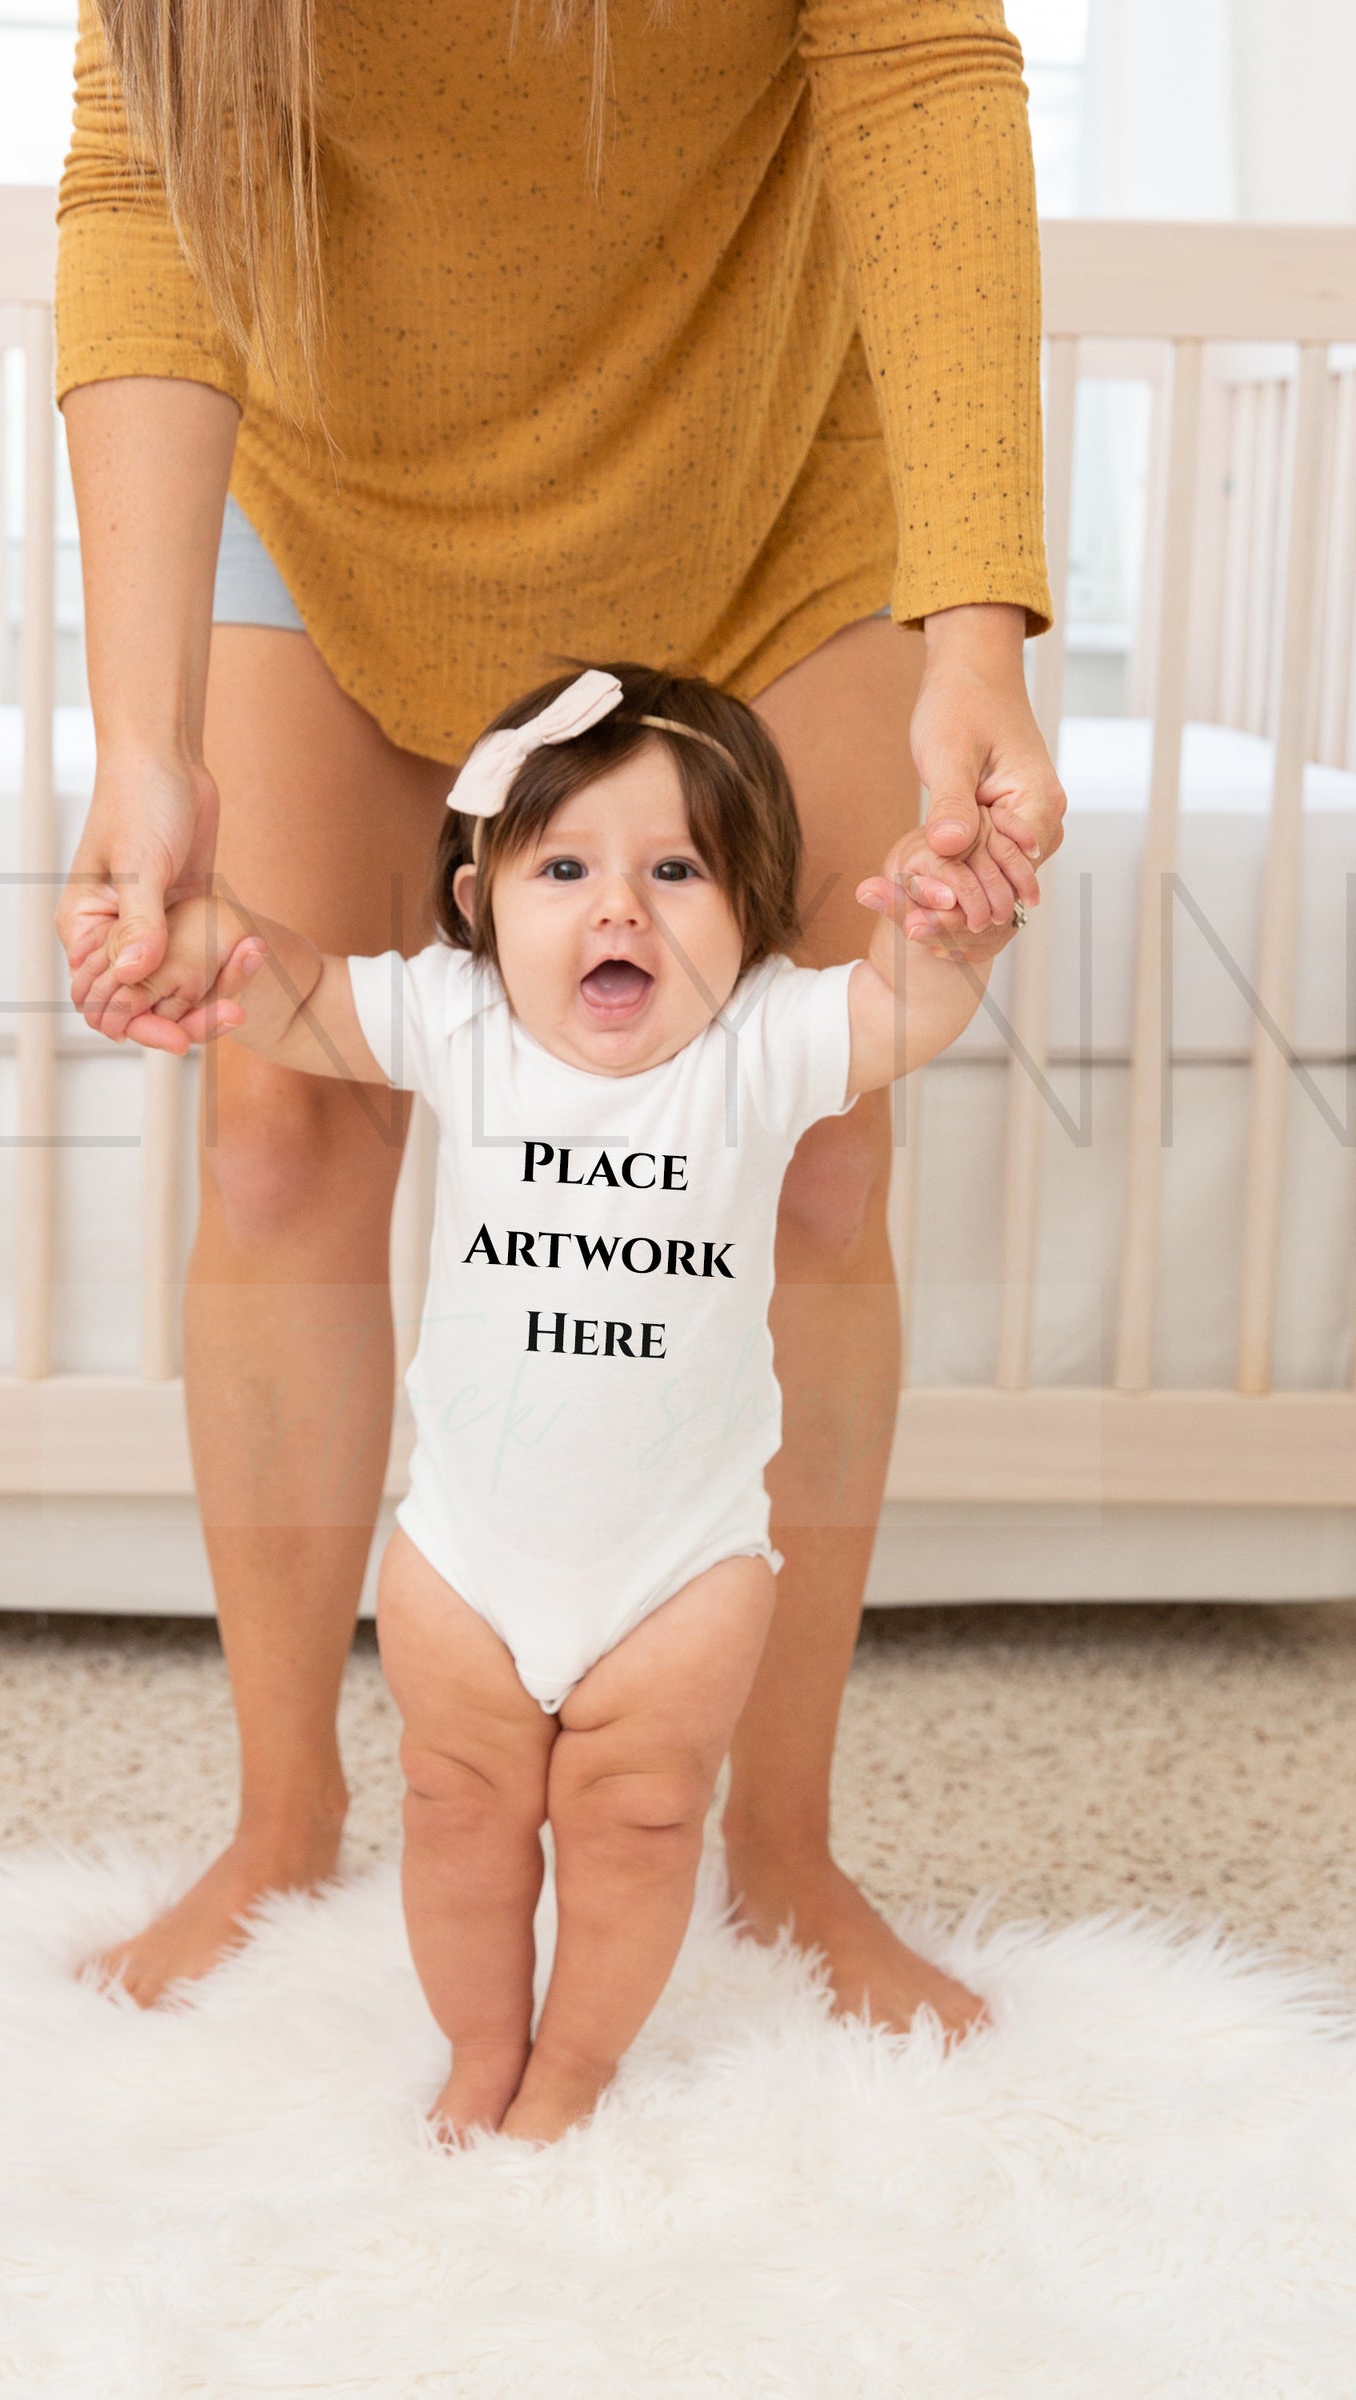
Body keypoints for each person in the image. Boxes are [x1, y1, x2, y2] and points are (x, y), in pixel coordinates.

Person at [52, 0, 1067, 2029]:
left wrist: (976, 639)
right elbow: (149, 161)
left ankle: (781, 1846)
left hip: (769, 467)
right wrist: (141, 741)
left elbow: (919, 71)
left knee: (814, 1158)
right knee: (277, 1132)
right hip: (337, 477)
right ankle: (282, 1818)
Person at [115, 662, 1025, 2138]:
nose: (621, 910)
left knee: (641, 1824)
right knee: (456, 1809)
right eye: (565, 870)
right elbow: (292, 992)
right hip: (470, 1563)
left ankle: (578, 2067)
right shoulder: (457, 1021)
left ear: (749, 908)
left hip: (682, 1573)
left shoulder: (760, 1042)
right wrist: (194, 930)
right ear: (478, 905)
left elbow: (900, 1010)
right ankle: (482, 2050)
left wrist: (950, 933)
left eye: (677, 870)